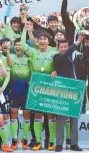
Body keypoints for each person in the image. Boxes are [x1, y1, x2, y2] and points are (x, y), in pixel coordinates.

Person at [20, 21, 58, 151]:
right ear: (37, 41)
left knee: (50, 115)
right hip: (36, 87)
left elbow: (62, 64)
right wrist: (25, 30)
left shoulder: (54, 52)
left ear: (48, 41)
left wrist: (56, 71)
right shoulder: (33, 52)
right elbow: (22, 44)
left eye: (44, 39)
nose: (42, 41)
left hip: (50, 86)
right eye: (40, 39)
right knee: (37, 115)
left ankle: (52, 141)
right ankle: (38, 142)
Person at [53, 34, 85, 152]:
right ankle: (59, 144)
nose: (64, 49)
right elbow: (66, 54)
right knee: (61, 119)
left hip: (74, 90)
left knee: (74, 119)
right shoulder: (57, 57)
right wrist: (77, 42)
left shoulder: (73, 57)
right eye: (61, 47)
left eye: (65, 47)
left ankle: (74, 144)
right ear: (58, 48)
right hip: (61, 91)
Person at [9, 38, 31, 150]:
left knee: (27, 114)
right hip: (14, 91)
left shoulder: (29, 59)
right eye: (16, 45)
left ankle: (25, 139)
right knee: (13, 113)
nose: (18, 47)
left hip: (26, 91)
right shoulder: (11, 57)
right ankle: (14, 139)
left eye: (20, 45)